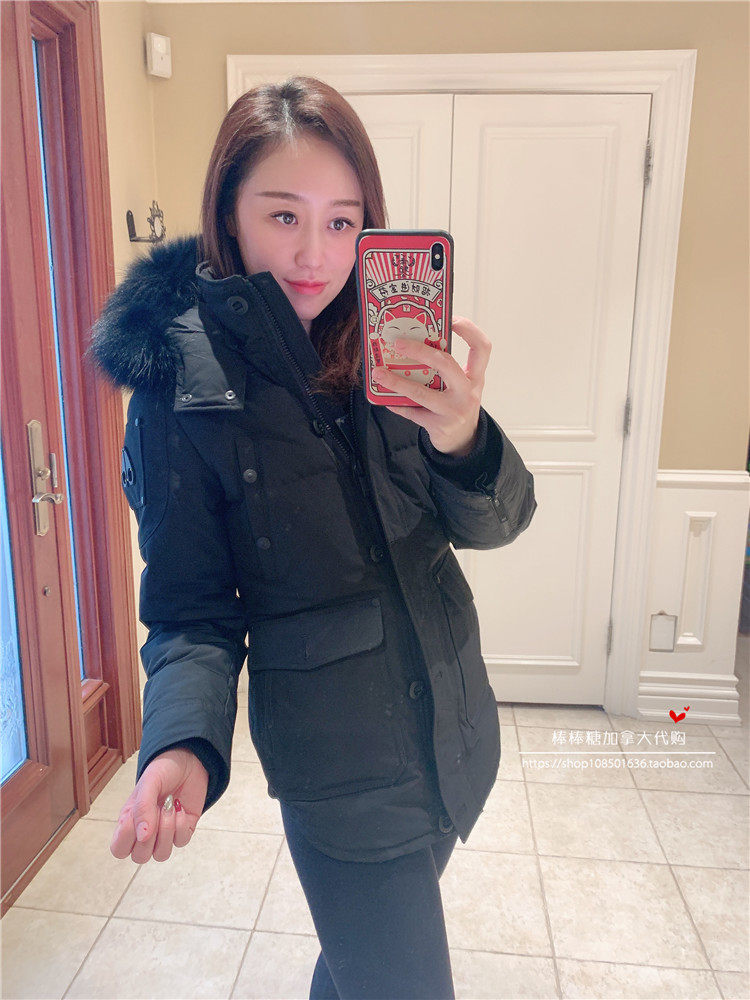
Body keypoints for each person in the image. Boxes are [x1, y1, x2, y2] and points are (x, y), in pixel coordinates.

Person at [90, 75, 537, 1000]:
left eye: (343, 221)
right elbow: (190, 610)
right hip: (339, 774)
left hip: (453, 730)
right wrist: (182, 741)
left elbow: (496, 525)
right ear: (229, 212)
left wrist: (463, 437)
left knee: (358, 970)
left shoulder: (390, 339)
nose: (314, 253)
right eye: (284, 214)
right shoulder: (185, 385)